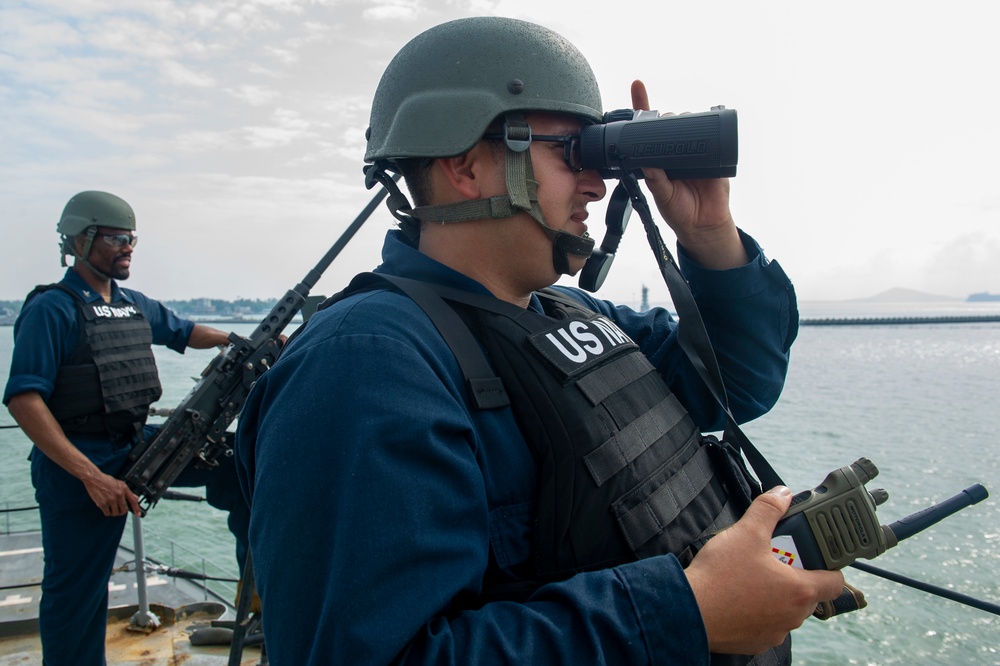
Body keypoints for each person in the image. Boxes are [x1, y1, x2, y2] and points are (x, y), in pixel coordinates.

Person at [235, 17, 844, 665]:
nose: (597, 182)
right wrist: (687, 612)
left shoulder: (567, 313)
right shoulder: (366, 365)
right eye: (570, 152)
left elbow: (738, 383)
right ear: (466, 166)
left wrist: (707, 230)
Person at [3, 190, 251, 666]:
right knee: (77, 593)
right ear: (79, 240)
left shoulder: (132, 303)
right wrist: (92, 478)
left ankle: (257, 605)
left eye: (131, 239)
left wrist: (241, 340)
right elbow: (24, 400)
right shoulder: (52, 310)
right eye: (115, 237)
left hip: (136, 444)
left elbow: (185, 332)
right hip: (80, 464)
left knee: (242, 463)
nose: (127, 247)